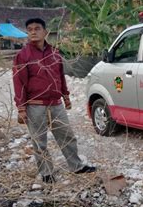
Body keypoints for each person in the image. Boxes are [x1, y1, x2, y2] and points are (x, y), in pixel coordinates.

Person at [13, 18, 96, 183]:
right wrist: (21, 108)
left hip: (56, 104)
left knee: (67, 136)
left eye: (37, 28)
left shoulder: (54, 53)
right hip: (35, 106)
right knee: (39, 141)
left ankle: (76, 166)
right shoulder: (23, 56)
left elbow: (60, 76)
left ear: (45, 32)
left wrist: (65, 96)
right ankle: (46, 173)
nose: (33, 32)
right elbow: (19, 83)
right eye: (29, 29)